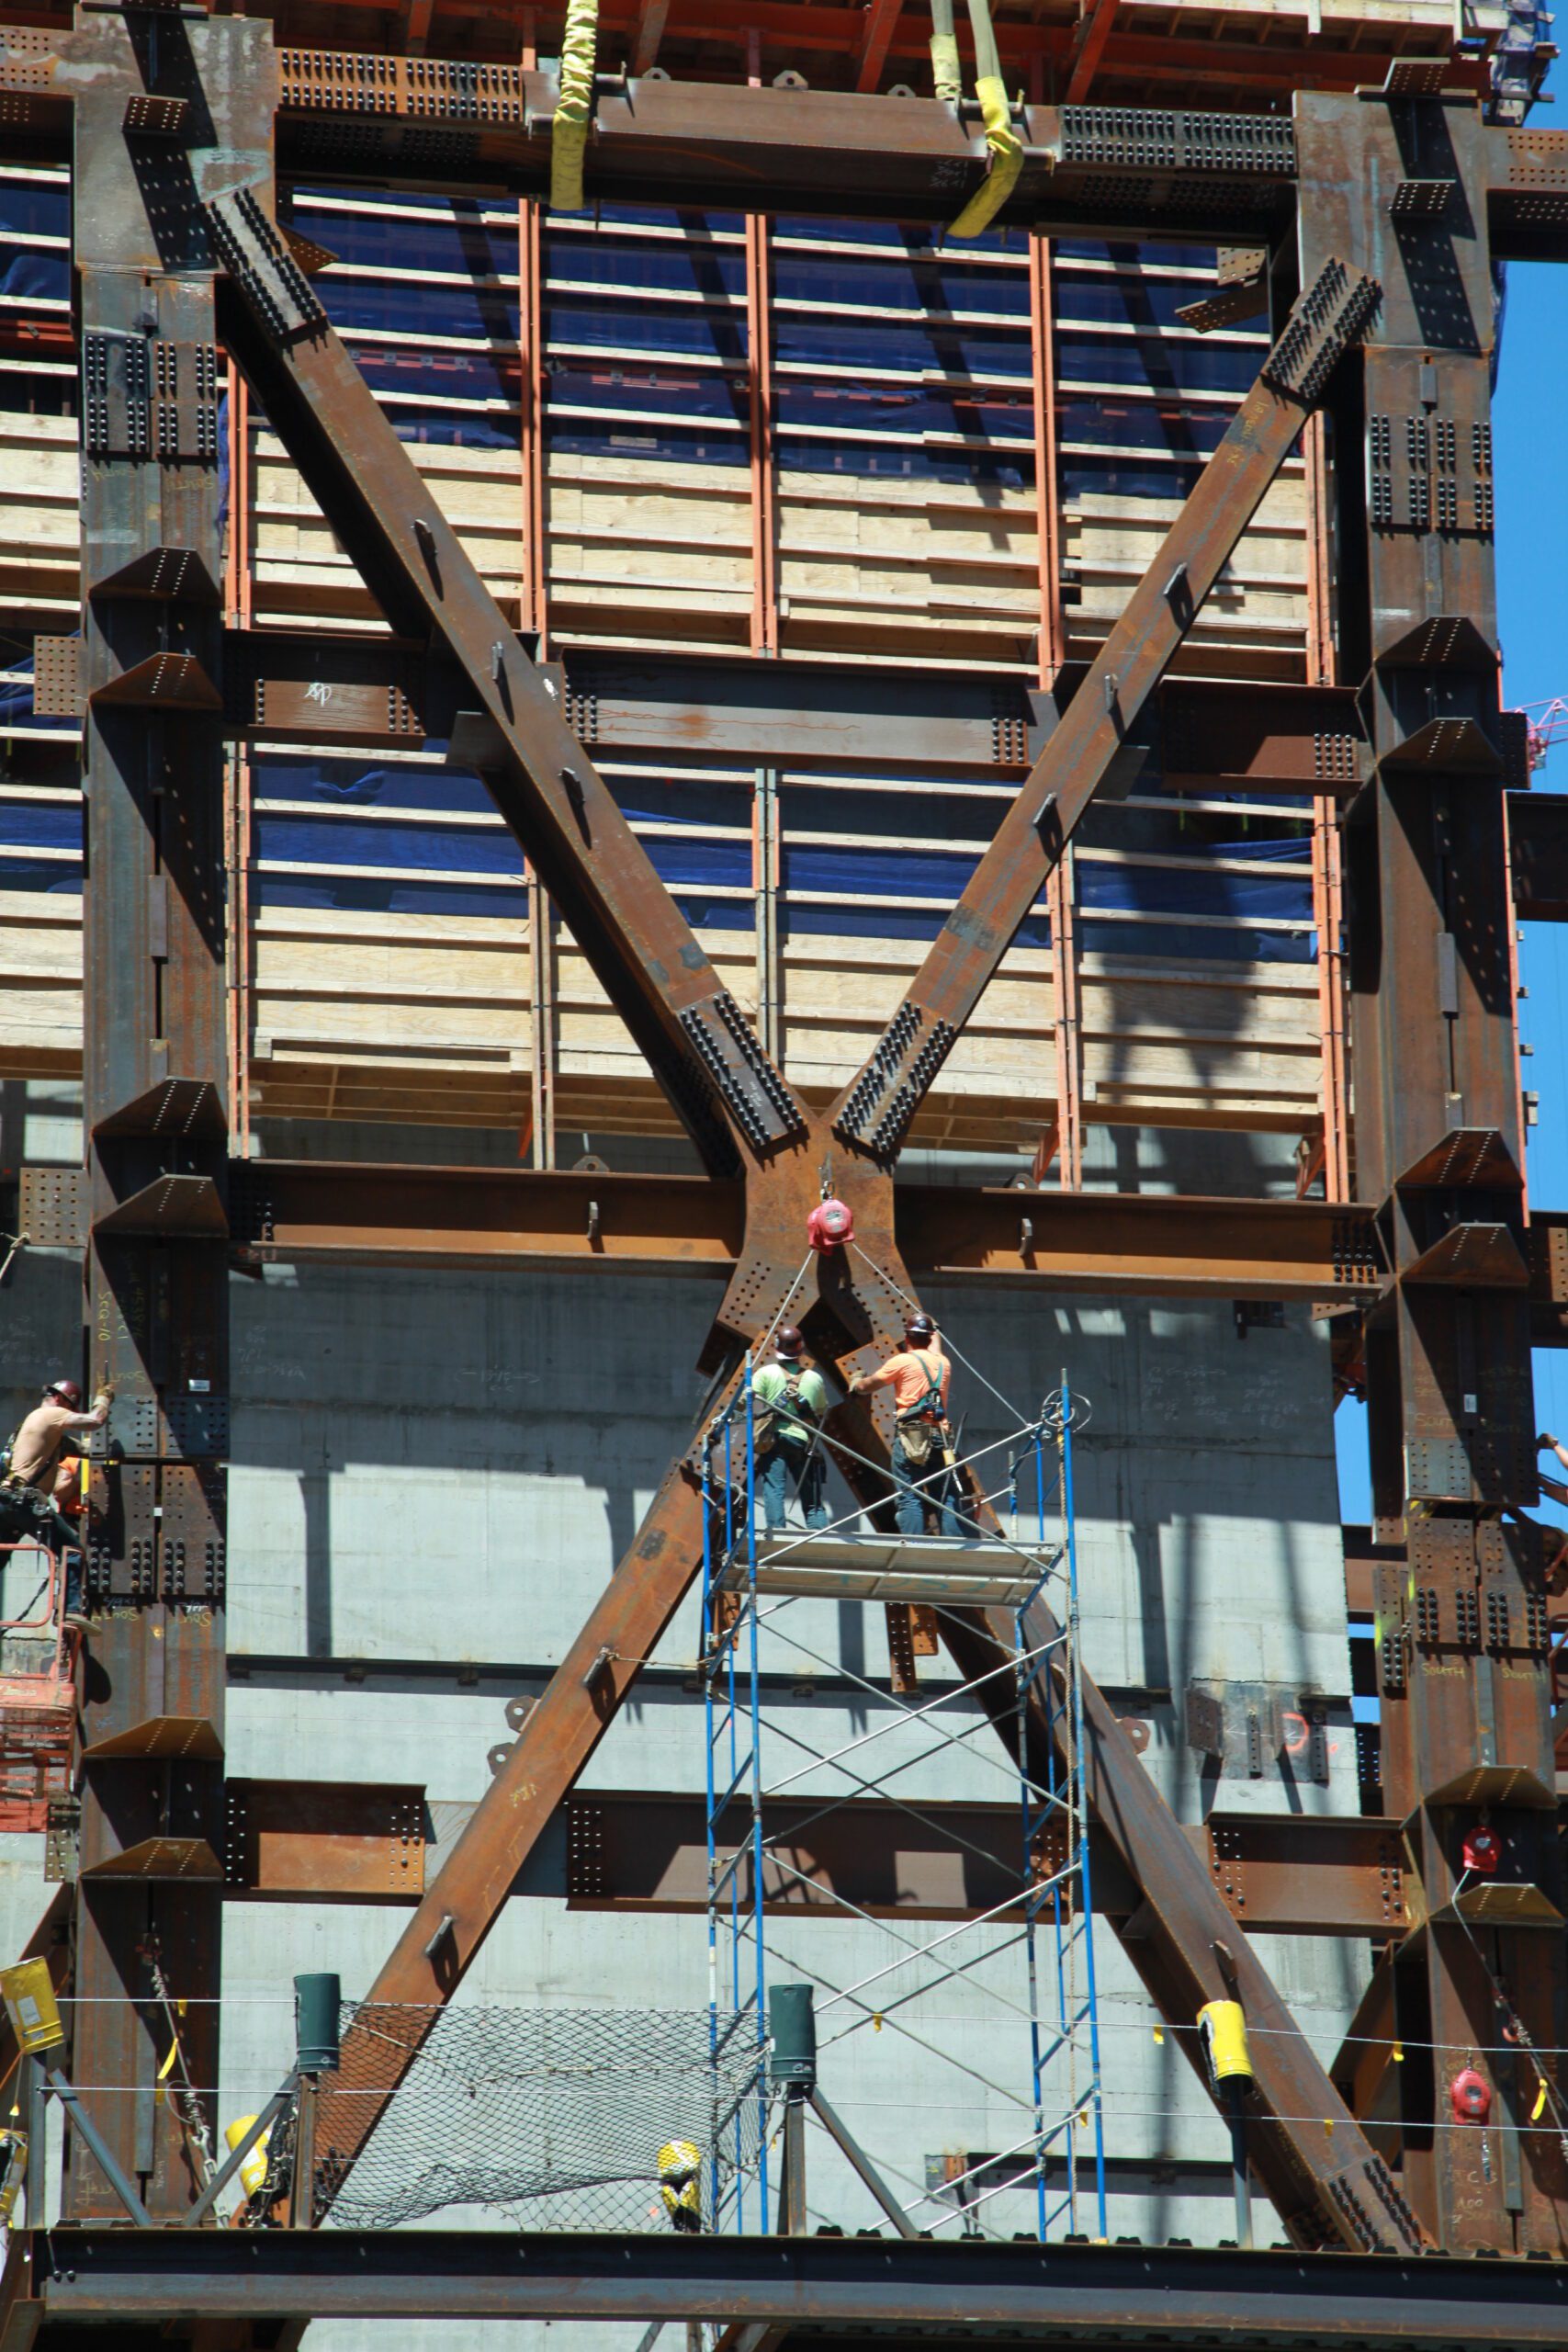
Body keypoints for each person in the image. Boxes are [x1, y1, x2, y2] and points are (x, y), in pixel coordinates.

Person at [1, 1377, 113, 1612]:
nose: (69, 1415)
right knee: (72, 1551)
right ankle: (71, 1612)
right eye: (70, 1408)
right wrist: (104, 1398)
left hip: (8, 1500)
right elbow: (95, 1420)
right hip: (24, 1501)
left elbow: (85, 1450)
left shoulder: (37, 1425)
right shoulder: (50, 1415)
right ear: (60, 1400)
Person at [850, 1312, 964, 1540]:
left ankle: (913, 1546)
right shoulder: (943, 1363)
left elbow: (868, 1385)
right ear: (930, 1337)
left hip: (912, 1436)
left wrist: (856, 1383)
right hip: (940, 1435)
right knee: (946, 1495)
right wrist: (930, 1322)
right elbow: (935, 1344)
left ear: (907, 1337)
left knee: (910, 1495)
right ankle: (952, 1546)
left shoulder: (902, 1361)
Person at [752, 1328, 829, 1534]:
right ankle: (818, 1536)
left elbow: (746, 1400)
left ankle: (777, 1532)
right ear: (801, 1349)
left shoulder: (766, 1373)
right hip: (803, 1440)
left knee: (774, 1489)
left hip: (773, 1439)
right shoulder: (815, 1378)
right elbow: (821, 1412)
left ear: (777, 1349)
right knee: (812, 1500)